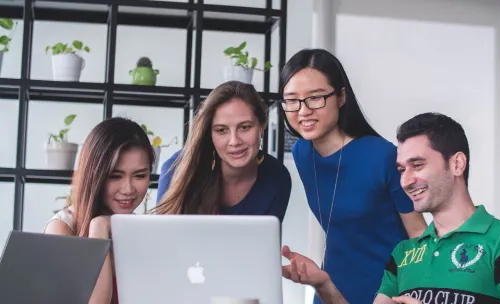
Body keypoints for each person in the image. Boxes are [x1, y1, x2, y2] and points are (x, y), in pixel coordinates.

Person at [282, 112, 500, 304]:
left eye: (418, 165)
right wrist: (324, 283)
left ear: (458, 164)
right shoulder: (403, 253)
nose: (406, 180)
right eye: (402, 169)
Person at [278, 48, 427, 303]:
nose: (303, 111)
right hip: (330, 291)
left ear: (341, 97)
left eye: (315, 98)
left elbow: (419, 236)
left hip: (388, 293)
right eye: (292, 100)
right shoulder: (302, 152)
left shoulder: (382, 156)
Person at [43, 117, 155, 304]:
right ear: (94, 175)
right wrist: (99, 229)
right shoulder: (61, 228)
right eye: (115, 176)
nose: (128, 189)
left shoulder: (138, 229)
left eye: (140, 175)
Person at [153, 81, 291, 222]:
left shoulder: (277, 178)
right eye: (221, 130)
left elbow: (266, 241)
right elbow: (163, 239)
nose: (234, 141)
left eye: (245, 127)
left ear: (262, 126)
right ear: (210, 133)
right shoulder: (176, 168)